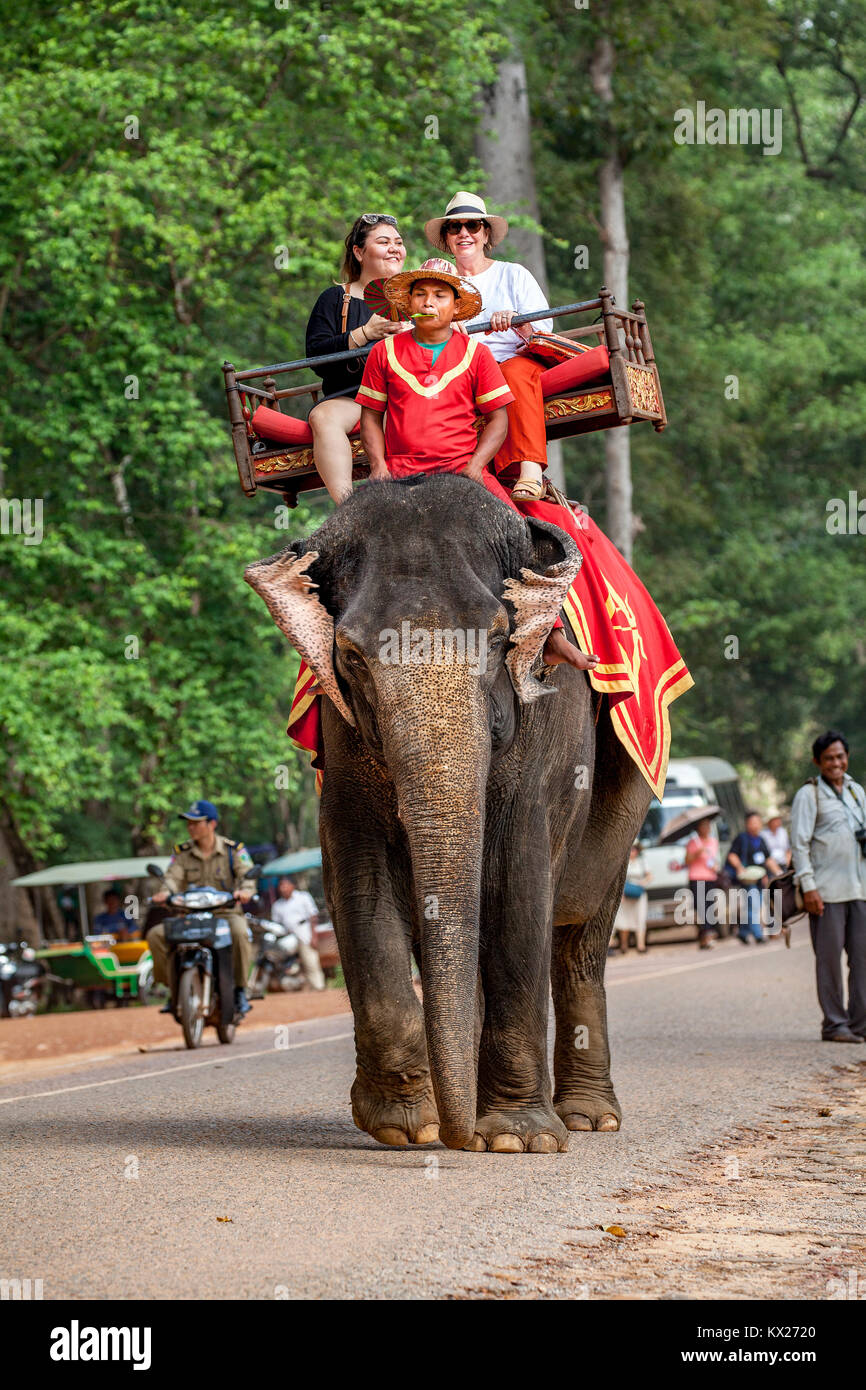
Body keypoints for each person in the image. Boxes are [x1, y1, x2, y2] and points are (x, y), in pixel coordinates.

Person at [357, 263, 598, 674]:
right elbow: (370, 417)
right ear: (409, 304)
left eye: (440, 296)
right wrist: (378, 466)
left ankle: (551, 635)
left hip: (464, 472)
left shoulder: (476, 354)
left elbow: (500, 419)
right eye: (420, 295)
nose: (428, 302)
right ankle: (337, 661)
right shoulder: (384, 352)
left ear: (455, 308)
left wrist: (475, 466)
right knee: (348, 553)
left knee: (517, 540)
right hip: (400, 476)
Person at [425, 191, 554, 500]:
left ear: (485, 234)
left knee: (513, 373)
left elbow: (544, 328)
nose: (464, 233)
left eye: (472, 226)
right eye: (455, 228)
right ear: (447, 238)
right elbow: (420, 330)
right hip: (461, 367)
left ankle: (530, 470)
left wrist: (516, 319)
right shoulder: (439, 281)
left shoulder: (513, 273)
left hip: (510, 358)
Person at [305, 214, 407, 503]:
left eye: (398, 243)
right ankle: (348, 511)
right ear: (359, 252)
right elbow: (315, 357)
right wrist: (363, 334)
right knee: (322, 416)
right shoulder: (336, 298)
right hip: (354, 395)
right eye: (384, 242)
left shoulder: (418, 295)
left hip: (408, 391)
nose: (394, 248)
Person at [149, 799, 258, 1017]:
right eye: (189, 823)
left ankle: (239, 991)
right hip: (190, 916)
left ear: (212, 824)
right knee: (156, 935)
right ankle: (173, 989)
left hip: (225, 915)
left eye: (196, 823)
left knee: (239, 932)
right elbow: (172, 878)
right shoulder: (182, 853)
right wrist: (164, 893)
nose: (190, 827)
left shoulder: (233, 850)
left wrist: (245, 891)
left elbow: (247, 876)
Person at [790, 730, 866, 1043]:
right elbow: (799, 843)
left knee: (862, 960)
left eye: (840, 756)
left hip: (860, 890)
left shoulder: (857, 791)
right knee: (830, 963)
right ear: (817, 762)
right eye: (829, 758)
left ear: (847, 757)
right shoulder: (808, 795)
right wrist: (808, 886)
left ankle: (860, 1025)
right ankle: (835, 1025)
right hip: (826, 893)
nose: (836, 763)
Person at [726, 811, 781, 945]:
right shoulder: (742, 838)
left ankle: (743, 932)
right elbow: (732, 855)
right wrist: (740, 868)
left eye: (757, 822)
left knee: (754, 905)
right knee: (753, 906)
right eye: (752, 822)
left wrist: (778, 872)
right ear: (747, 824)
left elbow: (767, 859)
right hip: (748, 879)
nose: (755, 825)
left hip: (760, 879)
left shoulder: (761, 840)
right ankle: (758, 934)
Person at [270, 876, 325, 991]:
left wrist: (314, 937)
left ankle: (319, 987)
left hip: (304, 933)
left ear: (292, 886)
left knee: (310, 961)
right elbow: (276, 924)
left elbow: (313, 916)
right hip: (288, 938)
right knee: (290, 965)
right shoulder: (277, 905)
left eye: (285, 885)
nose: (283, 888)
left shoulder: (303, 897)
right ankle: (300, 988)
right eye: (281, 886)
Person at [684, 816, 720, 950]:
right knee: (701, 907)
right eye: (703, 826)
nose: (706, 829)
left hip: (710, 877)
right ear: (698, 828)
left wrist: (715, 865)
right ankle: (706, 934)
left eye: (708, 826)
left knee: (710, 906)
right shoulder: (693, 843)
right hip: (696, 877)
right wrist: (697, 854)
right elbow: (687, 860)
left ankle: (706, 934)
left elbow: (714, 859)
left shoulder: (713, 841)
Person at [613, 842, 652, 954]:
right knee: (624, 920)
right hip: (624, 895)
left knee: (640, 919)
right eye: (630, 849)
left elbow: (650, 875)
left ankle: (641, 946)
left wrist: (642, 883)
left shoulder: (642, 862)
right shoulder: (623, 863)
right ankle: (624, 946)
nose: (632, 851)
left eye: (634, 849)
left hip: (639, 894)